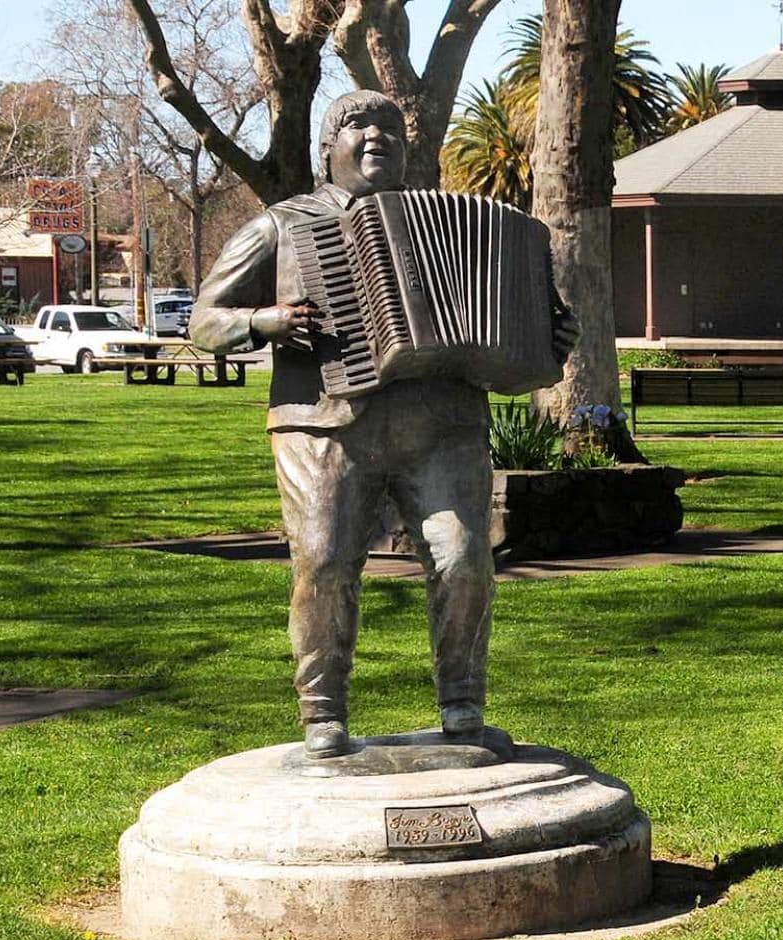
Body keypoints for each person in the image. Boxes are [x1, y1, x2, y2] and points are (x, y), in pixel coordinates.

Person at [191, 91, 572, 758]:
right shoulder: (285, 226)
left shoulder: (455, 223)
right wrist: (265, 321)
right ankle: (322, 710)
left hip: (441, 422)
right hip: (325, 425)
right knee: (325, 562)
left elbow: (524, 314)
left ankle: (462, 702)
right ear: (327, 150)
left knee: (464, 560)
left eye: (390, 130)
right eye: (358, 128)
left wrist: (552, 331)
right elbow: (205, 321)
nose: (377, 139)